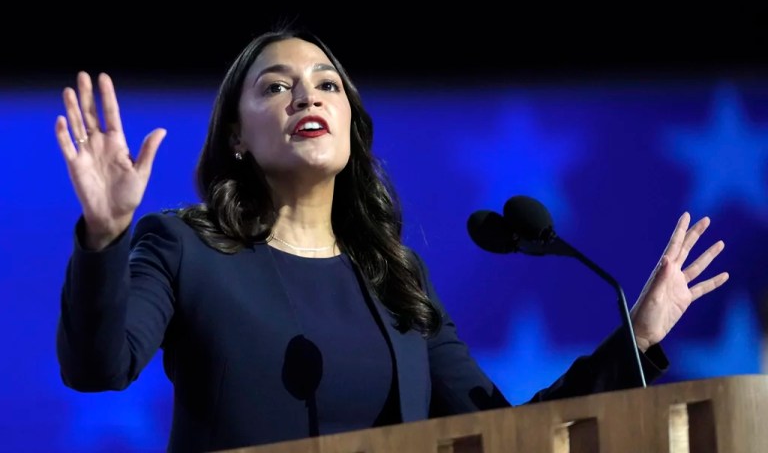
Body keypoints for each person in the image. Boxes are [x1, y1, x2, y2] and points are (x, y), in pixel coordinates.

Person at [54, 27, 730, 453]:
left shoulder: (396, 280)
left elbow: (507, 432)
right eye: (276, 86)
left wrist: (635, 339)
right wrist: (105, 237)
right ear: (236, 136)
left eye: (327, 86)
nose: (306, 97)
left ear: (350, 119)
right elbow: (96, 368)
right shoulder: (185, 246)